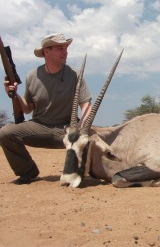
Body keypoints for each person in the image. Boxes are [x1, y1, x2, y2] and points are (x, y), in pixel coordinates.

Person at [0, 33, 92, 184]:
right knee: (5, 133)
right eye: (60, 48)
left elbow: (86, 106)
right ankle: (27, 173)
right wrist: (14, 94)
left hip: (67, 129)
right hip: (39, 127)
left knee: (94, 138)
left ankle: (93, 171)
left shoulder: (75, 75)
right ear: (46, 52)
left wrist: (81, 131)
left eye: (66, 48)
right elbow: (27, 109)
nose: (65, 51)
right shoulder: (32, 75)